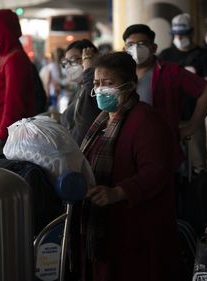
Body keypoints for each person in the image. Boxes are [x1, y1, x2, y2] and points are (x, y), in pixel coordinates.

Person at [78, 52, 179, 281]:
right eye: (97, 83)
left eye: (108, 83)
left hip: (137, 235)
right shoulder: (103, 120)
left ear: (130, 85)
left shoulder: (146, 120)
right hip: (108, 231)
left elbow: (156, 172)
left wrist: (117, 192)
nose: (101, 89)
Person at [122, 23, 207, 168]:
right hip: (128, 147)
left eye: (141, 44)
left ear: (153, 48)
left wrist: (191, 126)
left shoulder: (170, 72)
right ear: (124, 49)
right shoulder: (119, 75)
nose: (135, 48)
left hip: (162, 147)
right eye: (130, 44)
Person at [159, 13, 207, 172]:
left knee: (197, 162)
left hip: (194, 117)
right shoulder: (165, 56)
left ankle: (199, 194)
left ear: (191, 33)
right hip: (169, 118)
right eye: (176, 34)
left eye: (183, 34)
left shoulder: (204, 56)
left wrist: (194, 123)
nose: (179, 37)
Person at [0, 9, 35, 150]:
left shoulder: (14, 60)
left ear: (2, 32)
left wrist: (2, 135)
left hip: (9, 135)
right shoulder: (8, 58)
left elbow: (13, 102)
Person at [60, 39, 101, 145]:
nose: (68, 66)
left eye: (73, 60)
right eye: (66, 62)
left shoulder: (97, 87)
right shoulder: (79, 90)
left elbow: (93, 93)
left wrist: (89, 69)